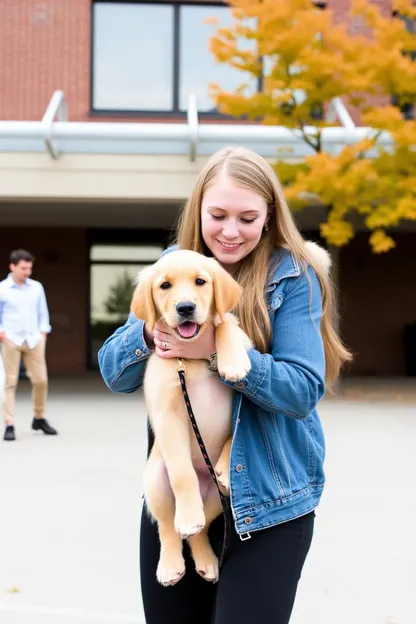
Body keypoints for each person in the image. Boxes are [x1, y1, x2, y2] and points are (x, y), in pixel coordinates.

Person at [98, 146, 351, 624]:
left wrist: (213, 352)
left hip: (270, 499)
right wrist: (153, 331)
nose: (230, 231)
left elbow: (302, 390)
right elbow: (114, 371)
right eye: (217, 215)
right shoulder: (174, 267)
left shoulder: (294, 276)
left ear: (270, 216)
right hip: (180, 492)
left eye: (247, 217)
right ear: (198, 209)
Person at [0, 249, 58, 442]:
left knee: (41, 380)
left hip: (34, 339)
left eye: (29, 268)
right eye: (23, 268)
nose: (27, 272)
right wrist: (2, 333)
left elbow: (43, 312)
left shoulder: (36, 288)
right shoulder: (3, 289)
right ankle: (9, 423)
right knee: (10, 382)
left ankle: (38, 417)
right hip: (11, 339)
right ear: (12, 267)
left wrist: (43, 332)